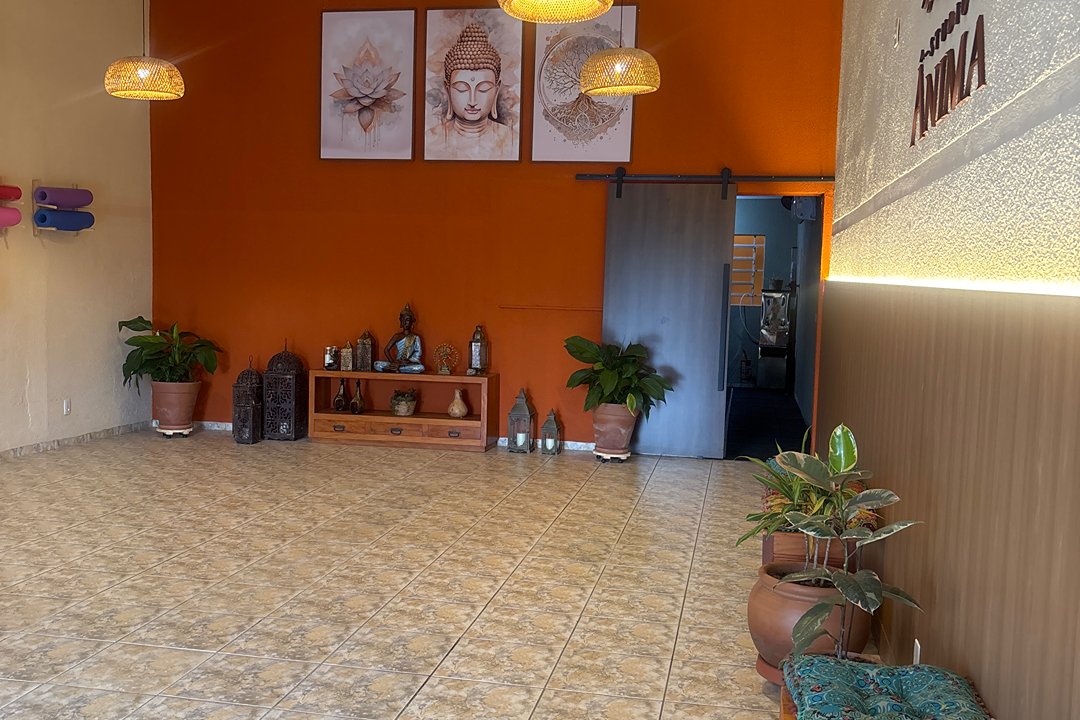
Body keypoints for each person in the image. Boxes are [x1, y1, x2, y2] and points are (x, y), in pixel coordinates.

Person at [426, 23, 517, 160]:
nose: (472, 101)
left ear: (496, 89)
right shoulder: (431, 138)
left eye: (483, 89)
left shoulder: (511, 139)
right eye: (462, 88)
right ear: (447, 89)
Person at [374, 304, 425, 374]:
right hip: (397, 362)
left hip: (407, 364)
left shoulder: (415, 337)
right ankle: (395, 368)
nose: (404, 322)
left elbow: (418, 353)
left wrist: (408, 361)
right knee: (377, 364)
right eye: (402, 319)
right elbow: (386, 350)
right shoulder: (397, 336)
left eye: (407, 320)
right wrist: (392, 362)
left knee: (420, 368)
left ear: (412, 321)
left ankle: (396, 369)